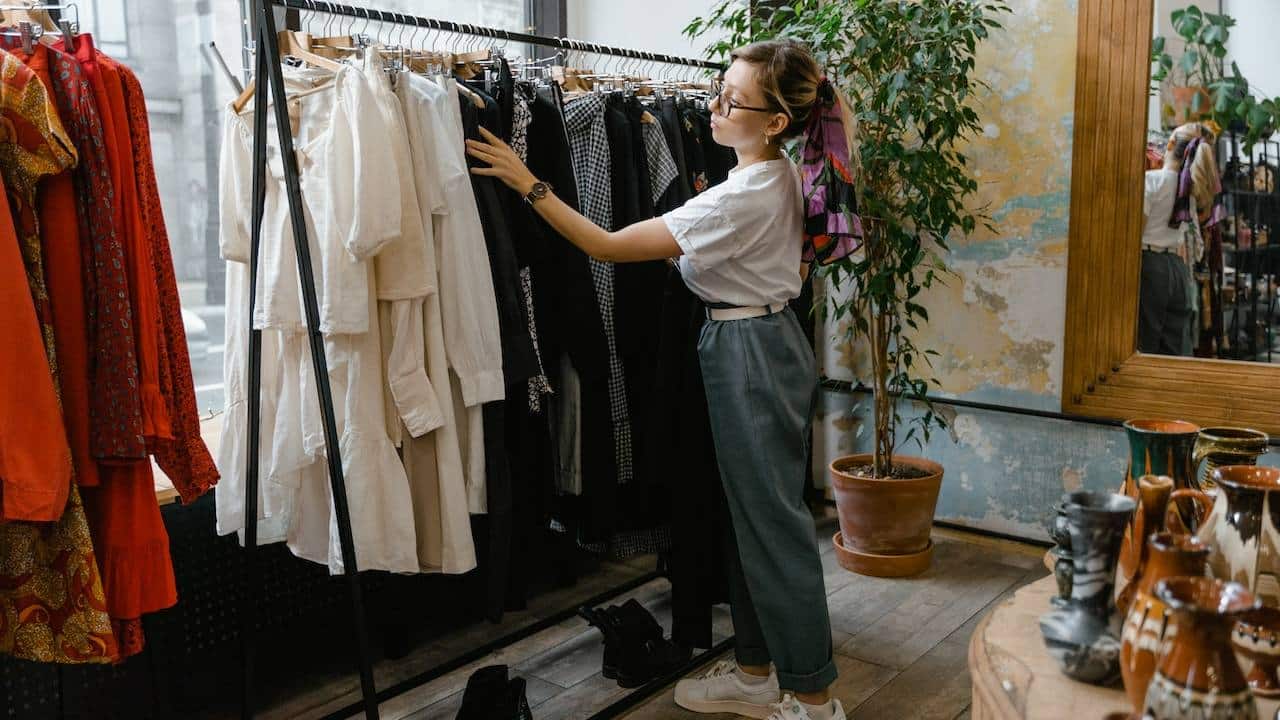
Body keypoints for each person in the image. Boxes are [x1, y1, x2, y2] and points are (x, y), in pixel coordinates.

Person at [466, 38, 856, 720]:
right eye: (718, 90)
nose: (714, 106)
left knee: (774, 530)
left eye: (732, 101)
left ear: (773, 122)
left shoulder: (744, 196)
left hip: (748, 353)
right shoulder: (775, 174)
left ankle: (815, 698)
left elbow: (607, 247)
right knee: (751, 521)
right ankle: (759, 671)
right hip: (760, 340)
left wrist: (527, 182)